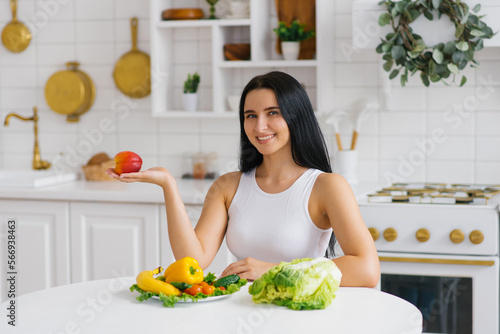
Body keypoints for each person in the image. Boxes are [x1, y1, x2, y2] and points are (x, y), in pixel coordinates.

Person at [107, 71, 379, 287]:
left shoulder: (327, 187)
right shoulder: (228, 186)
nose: (259, 126)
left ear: (295, 117)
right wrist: (168, 184)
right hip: (240, 313)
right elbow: (193, 261)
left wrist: (271, 271)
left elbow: (367, 270)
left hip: (299, 317)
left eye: (273, 113)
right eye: (251, 115)